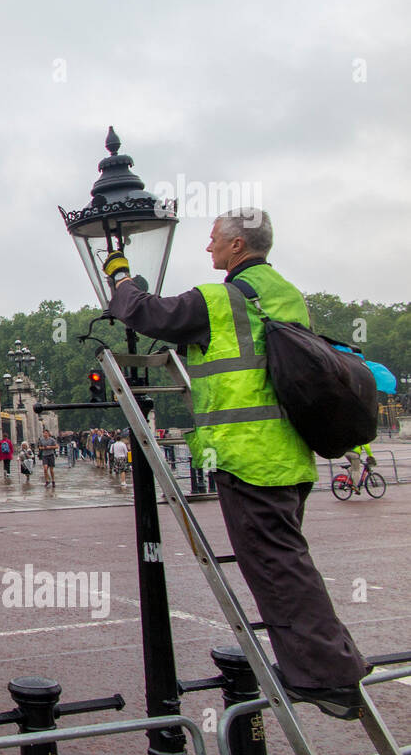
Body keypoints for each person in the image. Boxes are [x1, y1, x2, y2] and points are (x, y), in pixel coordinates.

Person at [106, 207, 368, 718]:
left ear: (237, 247)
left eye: (213, 241)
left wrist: (120, 274)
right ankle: (326, 666)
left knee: (278, 571)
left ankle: (328, 676)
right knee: (288, 563)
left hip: (248, 457)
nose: (208, 249)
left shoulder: (219, 298)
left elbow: (151, 315)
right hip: (290, 453)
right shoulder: (285, 292)